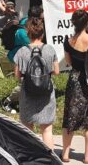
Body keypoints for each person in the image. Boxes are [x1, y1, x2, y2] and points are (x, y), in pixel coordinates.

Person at [61, 9, 88, 164]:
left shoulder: (68, 41)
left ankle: (65, 154)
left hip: (75, 80)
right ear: (87, 23)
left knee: (69, 116)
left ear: (73, 23)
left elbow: (68, 62)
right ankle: (87, 156)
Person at [14, 17, 59, 149]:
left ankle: (30, 157)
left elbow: (17, 75)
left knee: (27, 129)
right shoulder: (50, 49)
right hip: (46, 93)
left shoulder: (22, 51)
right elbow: (56, 71)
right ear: (42, 33)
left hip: (28, 93)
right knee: (47, 130)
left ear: (28, 33)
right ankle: (48, 158)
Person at [3, 5, 44, 113]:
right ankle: (7, 102)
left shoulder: (28, 22)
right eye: (41, 18)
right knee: (25, 83)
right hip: (18, 58)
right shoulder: (22, 32)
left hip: (26, 58)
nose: (42, 20)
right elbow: (34, 46)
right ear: (36, 18)